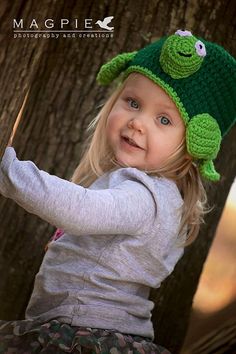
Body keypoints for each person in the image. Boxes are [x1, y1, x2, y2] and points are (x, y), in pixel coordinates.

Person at [0, 29, 235, 354]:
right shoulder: (154, 193)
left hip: (83, 335)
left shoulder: (146, 197)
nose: (138, 122)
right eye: (133, 102)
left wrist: (8, 170)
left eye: (164, 119)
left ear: (193, 145)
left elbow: (80, 211)